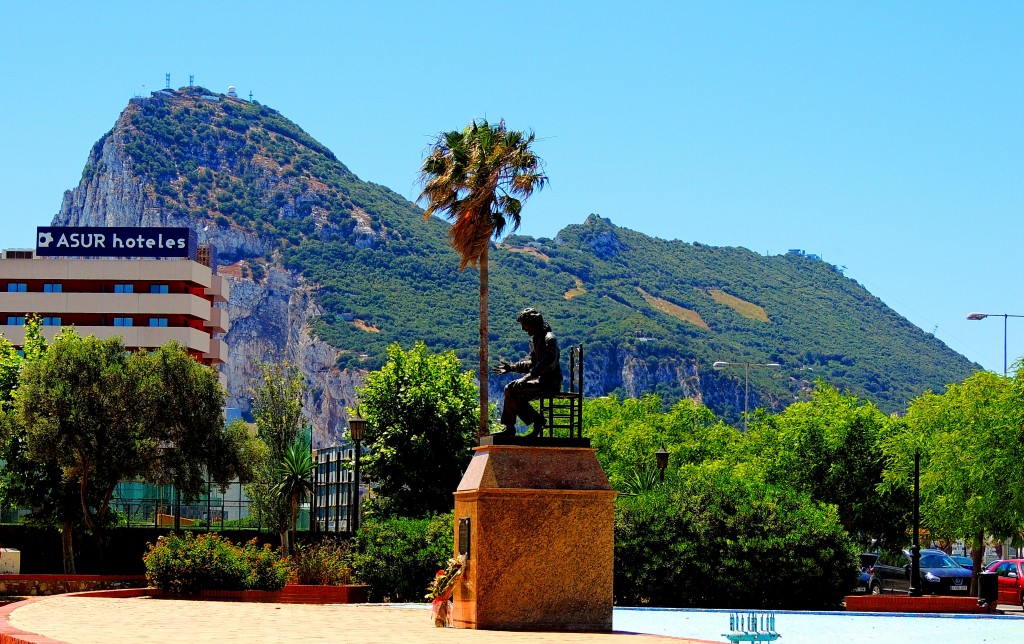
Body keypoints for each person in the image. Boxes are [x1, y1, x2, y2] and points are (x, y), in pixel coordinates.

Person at [492, 308, 562, 437]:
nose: (523, 329)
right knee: (513, 391)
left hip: (550, 384)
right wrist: (512, 368)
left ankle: (530, 423)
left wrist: (526, 378)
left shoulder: (549, 339)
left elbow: (547, 364)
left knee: (511, 389)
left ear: (534, 323)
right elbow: (532, 363)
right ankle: (524, 425)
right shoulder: (536, 340)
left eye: (525, 325)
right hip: (542, 381)